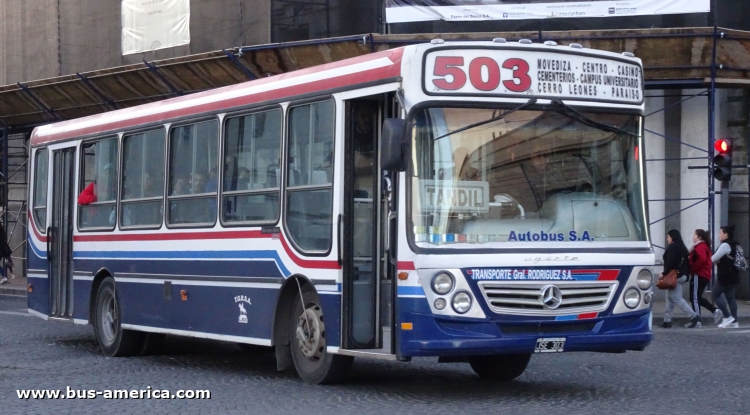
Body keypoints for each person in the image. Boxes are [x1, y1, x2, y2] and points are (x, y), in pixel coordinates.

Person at [661, 229, 701, 328]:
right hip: (682, 275)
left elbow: (671, 262)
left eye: (668, 237)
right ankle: (667, 320)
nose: (667, 239)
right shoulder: (682, 247)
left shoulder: (673, 247)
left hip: (675, 276)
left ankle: (693, 316)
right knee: (670, 297)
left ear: (672, 237)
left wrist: (663, 273)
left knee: (675, 297)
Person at [688, 229, 721, 326]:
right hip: (703, 274)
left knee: (694, 298)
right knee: (696, 297)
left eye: (694, 235)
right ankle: (715, 311)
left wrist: (693, 269)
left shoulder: (700, 246)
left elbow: (701, 259)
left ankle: (697, 319)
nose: (693, 237)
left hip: (699, 274)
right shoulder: (703, 246)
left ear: (700, 237)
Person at [712, 225, 741, 328]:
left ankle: (728, 317)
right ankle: (734, 321)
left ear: (726, 234)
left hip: (725, 275)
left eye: (720, 233)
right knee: (730, 298)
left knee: (715, 294)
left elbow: (713, 258)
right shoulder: (735, 244)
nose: (719, 235)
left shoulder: (725, 245)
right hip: (733, 274)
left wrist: (717, 260)